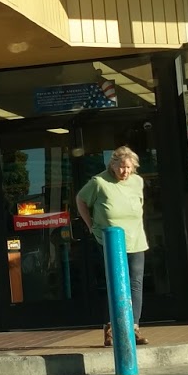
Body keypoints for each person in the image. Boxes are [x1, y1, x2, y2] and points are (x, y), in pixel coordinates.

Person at [76, 145, 148, 344]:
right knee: (116, 282)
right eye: (121, 167)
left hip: (136, 238)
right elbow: (80, 199)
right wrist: (91, 225)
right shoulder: (99, 182)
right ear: (113, 165)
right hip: (109, 240)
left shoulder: (137, 181)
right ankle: (111, 328)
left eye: (129, 167)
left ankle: (133, 328)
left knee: (135, 283)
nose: (125, 171)